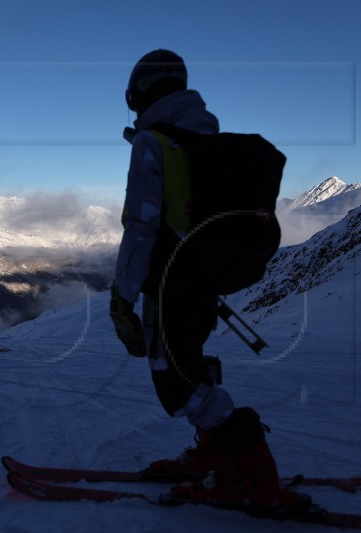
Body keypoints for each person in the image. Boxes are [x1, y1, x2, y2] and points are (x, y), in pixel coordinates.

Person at [109, 49, 283, 508]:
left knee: (176, 379)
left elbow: (142, 225)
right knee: (188, 360)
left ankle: (249, 468)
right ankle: (216, 456)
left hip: (170, 285)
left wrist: (122, 297)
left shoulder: (156, 143)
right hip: (203, 282)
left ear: (138, 93)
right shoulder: (208, 143)